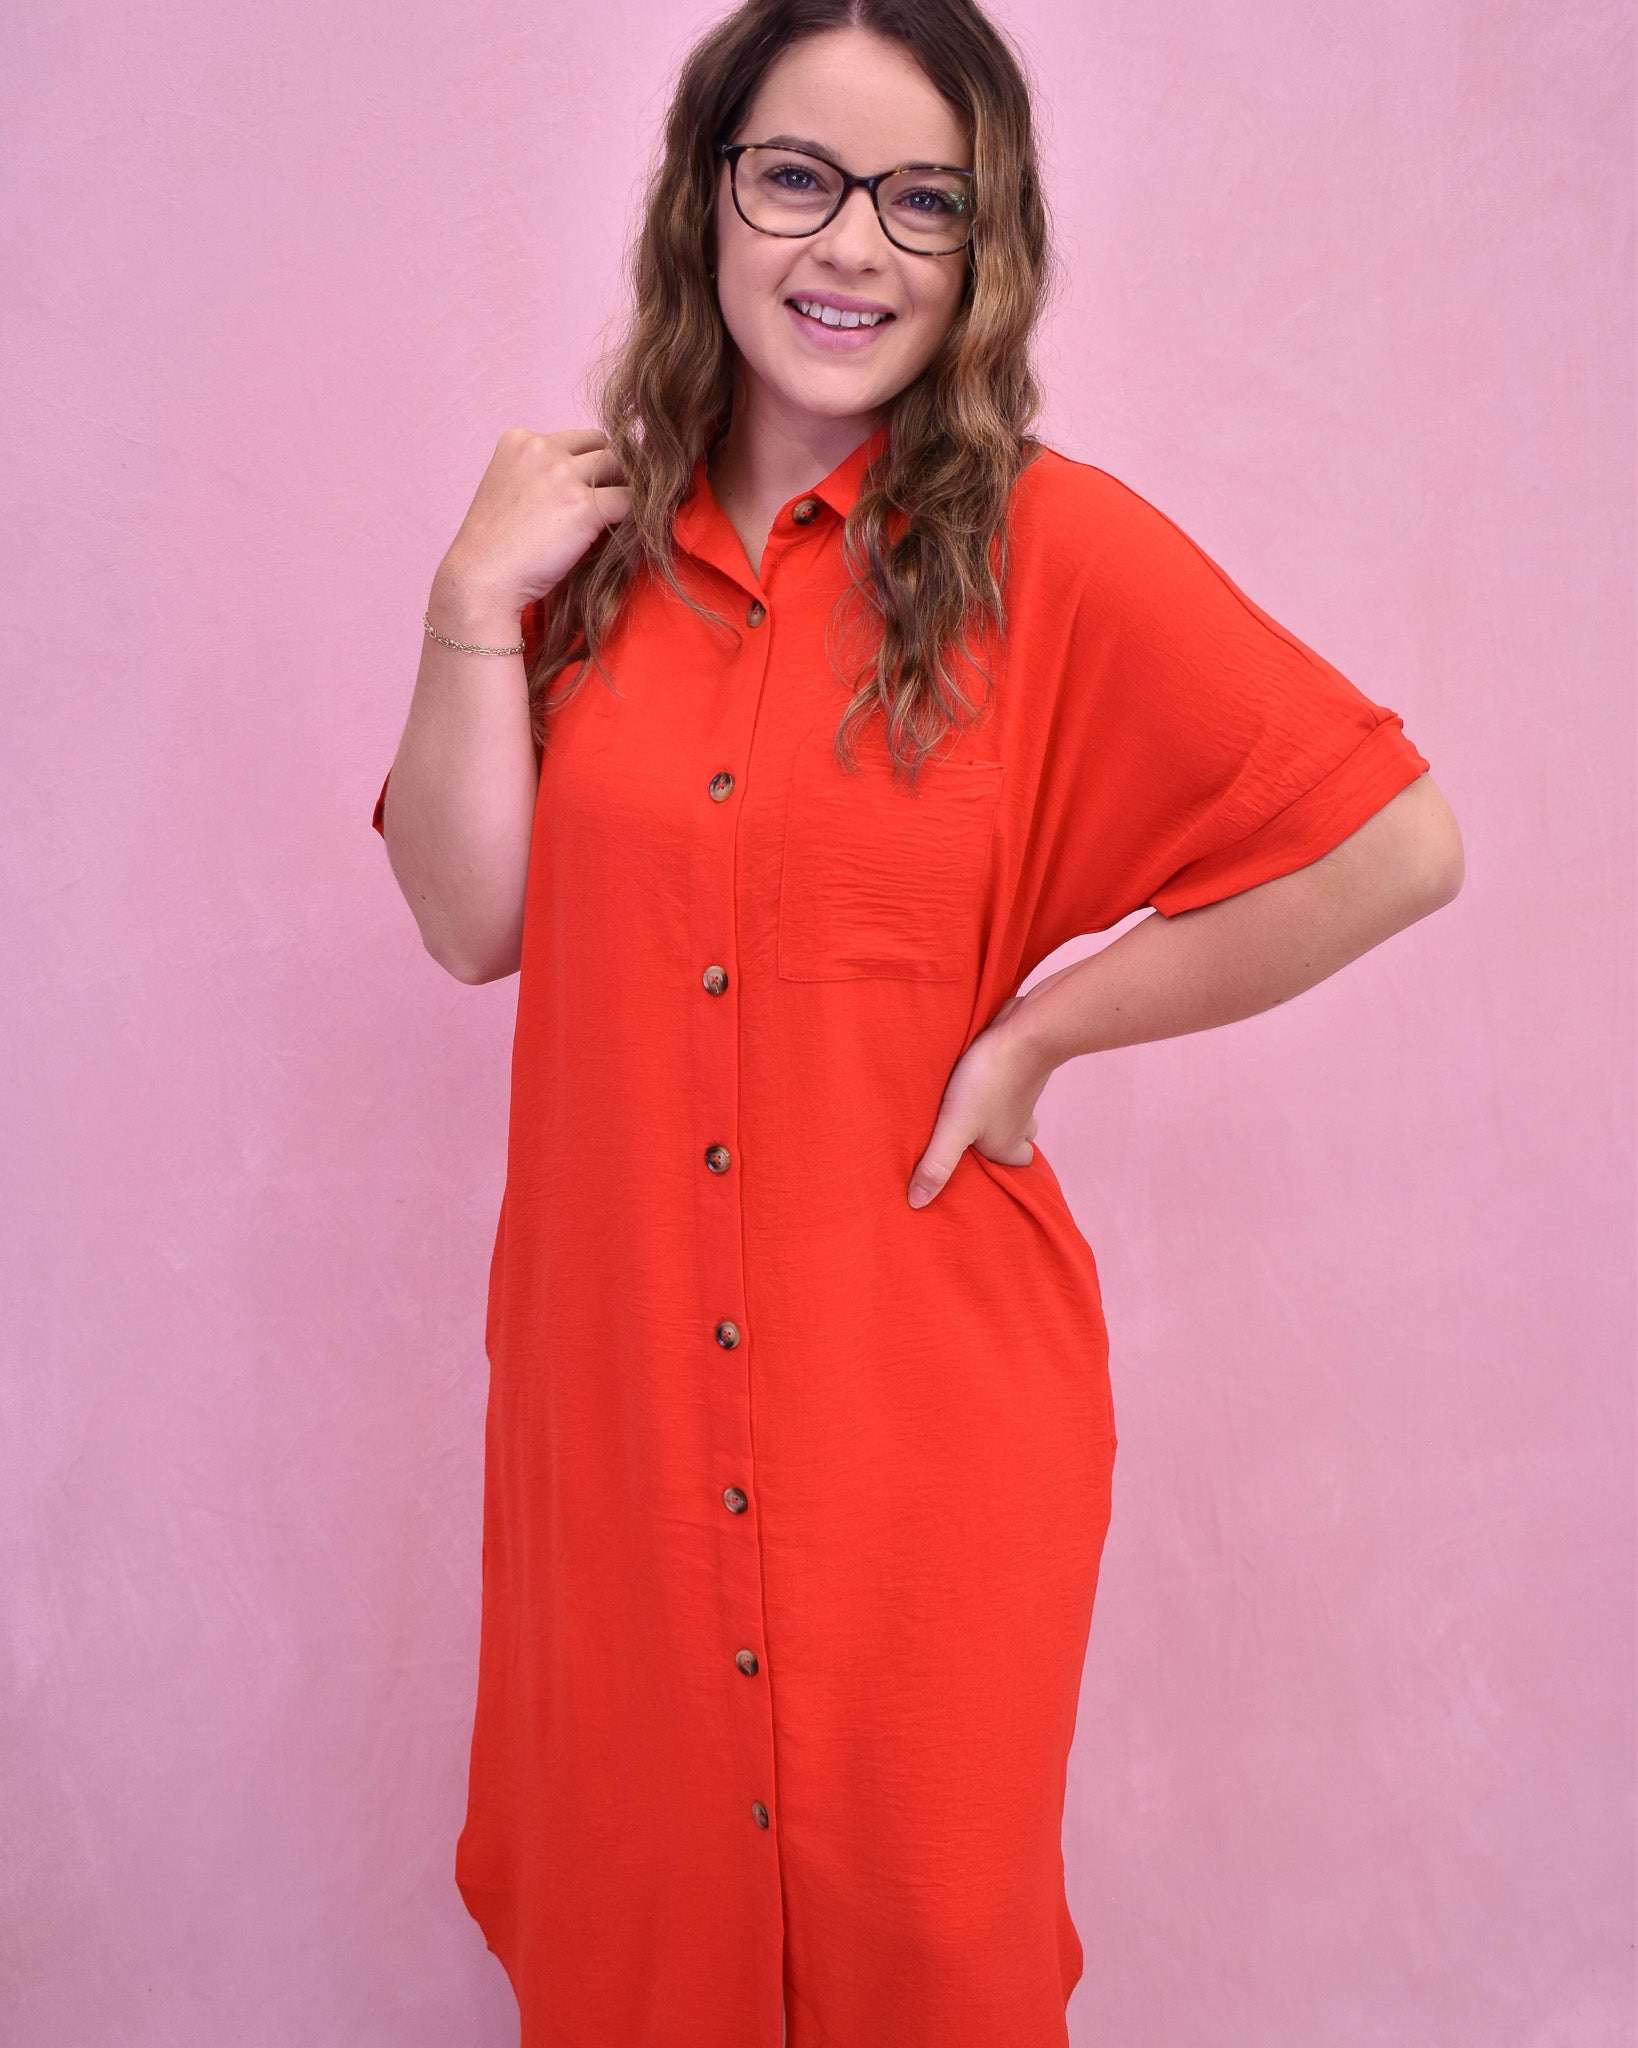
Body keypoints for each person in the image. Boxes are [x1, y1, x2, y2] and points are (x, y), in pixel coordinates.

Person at [370, 2, 1464, 2042]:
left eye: (922, 202)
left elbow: (1396, 843)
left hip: (923, 1428)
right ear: (705, 200)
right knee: (637, 1942)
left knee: (930, 1955)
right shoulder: (582, 553)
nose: (852, 246)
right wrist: (465, 606)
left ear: (985, 247)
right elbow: (468, 920)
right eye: (797, 177)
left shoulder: (1053, 552)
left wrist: (1040, 1033)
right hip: (618, 1424)